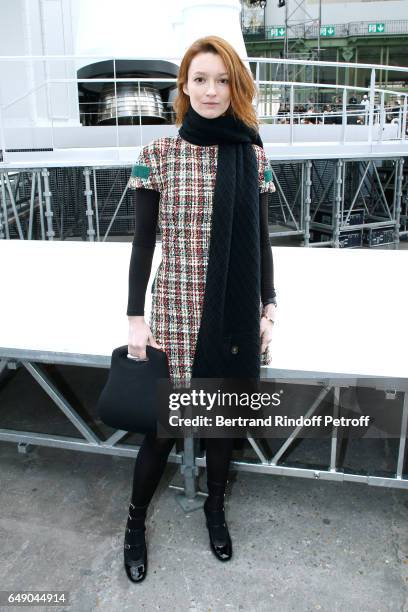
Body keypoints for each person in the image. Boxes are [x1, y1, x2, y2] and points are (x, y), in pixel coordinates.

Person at [123, 35, 277, 583]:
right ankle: (135, 522)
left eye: (222, 80)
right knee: (162, 429)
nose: (211, 90)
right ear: (184, 87)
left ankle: (214, 510)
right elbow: (143, 244)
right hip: (173, 311)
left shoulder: (251, 154)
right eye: (200, 79)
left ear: (235, 87)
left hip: (231, 312)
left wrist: (269, 307)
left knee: (217, 426)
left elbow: (260, 242)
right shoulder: (157, 156)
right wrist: (135, 317)